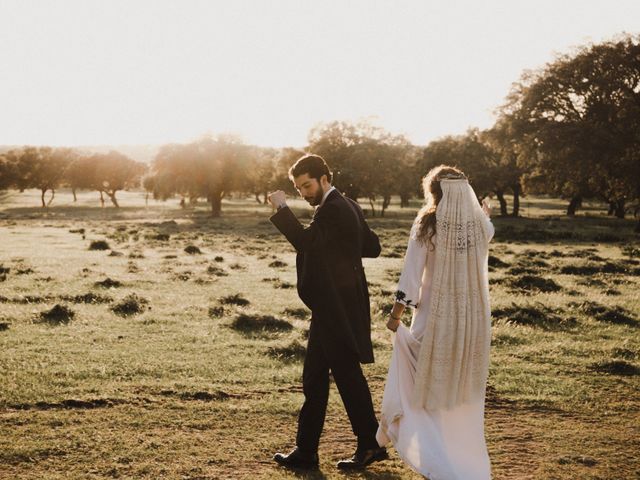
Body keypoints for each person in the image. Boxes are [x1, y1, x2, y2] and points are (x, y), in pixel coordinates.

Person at [267, 154, 388, 471]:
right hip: (334, 306)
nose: (303, 193)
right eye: (298, 189)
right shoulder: (347, 206)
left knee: (346, 377)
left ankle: (368, 444)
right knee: (316, 378)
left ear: (324, 178)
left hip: (337, 307)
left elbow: (306, 241)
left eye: (307, 185)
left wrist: (282, 208)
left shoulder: (334, 208)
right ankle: (308, 451)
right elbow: (371, 246)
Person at [377, 165, 494, 480]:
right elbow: (488, 229)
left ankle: (435, 460)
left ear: (433, 191)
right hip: (473, 323)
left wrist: (395, 316)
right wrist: (485, 214)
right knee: (457, 391)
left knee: (424, 391)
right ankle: (460, 459)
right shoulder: (480, 227)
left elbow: (411, 273)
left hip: (435, 321)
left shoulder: (428, 224)